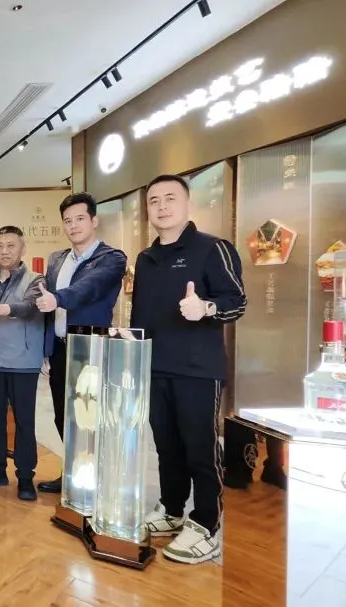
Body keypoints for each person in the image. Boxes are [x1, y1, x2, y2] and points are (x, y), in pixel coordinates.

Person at [132, 174, 246, 565]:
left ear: (187, 204)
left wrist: (206, 308)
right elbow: (141, 315)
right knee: (166, 445)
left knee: (200, 447)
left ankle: (207, 523)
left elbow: (237, 301)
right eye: (154, 200)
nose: (161, 206)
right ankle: (172, 508)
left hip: (197, 369)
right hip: (155, 367)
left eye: (170, 198)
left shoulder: (212, 248)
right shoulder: (145, 259)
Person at [34, 193, 127, 494]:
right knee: (64, 416)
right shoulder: (57, 260)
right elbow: (47, 309)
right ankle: (73, 474)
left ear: (94, 220)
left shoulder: (111, 258)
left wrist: (59, 298)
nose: (73, 225)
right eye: (67, 221)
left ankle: (97, 483)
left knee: (89, 417)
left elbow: (89, 288)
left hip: (90, 349)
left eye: (79, 219)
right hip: (61, 348)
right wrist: (46, 349)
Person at [0, 226, 46, 501]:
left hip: (22, 362)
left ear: (22, 249)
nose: (4, 251)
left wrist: (3, 309)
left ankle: (25, 477)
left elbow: (31, 307)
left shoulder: (36, 280)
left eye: (11, 246)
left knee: (24, 421)